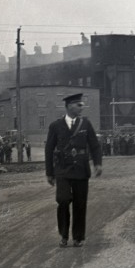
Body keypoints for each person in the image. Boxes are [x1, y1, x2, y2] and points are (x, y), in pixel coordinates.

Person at [45, 93, 103, 248]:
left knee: (80, 204)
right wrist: (49, 172)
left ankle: (78, 237)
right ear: (70, 106)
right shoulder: (55, 126)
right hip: (62, 170)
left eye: (81, 105)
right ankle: (63, 235)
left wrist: (97, 164)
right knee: (63, 200)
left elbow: (95, 146)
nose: (81, 107)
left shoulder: (86, 124)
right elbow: (49, 149)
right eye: (79, 105)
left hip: (81, 169)